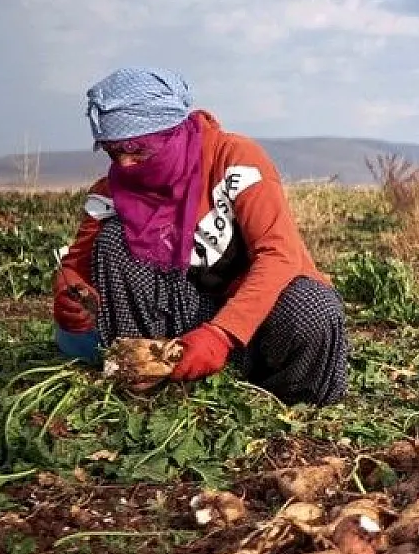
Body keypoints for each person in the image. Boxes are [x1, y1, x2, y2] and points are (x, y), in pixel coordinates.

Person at [51, 67, 349, 405]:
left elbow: (279, 255)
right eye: (114, 153)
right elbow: (74, 265)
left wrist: (221, 334)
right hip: (183, 327)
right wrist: (70, 293)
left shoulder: (234, 159)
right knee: (114, 241)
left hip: (258, 318)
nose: (127, 165)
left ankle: (286, 404)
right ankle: (151, 387)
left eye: (139, 151)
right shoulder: (112, 191)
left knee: (312, 307)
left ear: (171, 133)